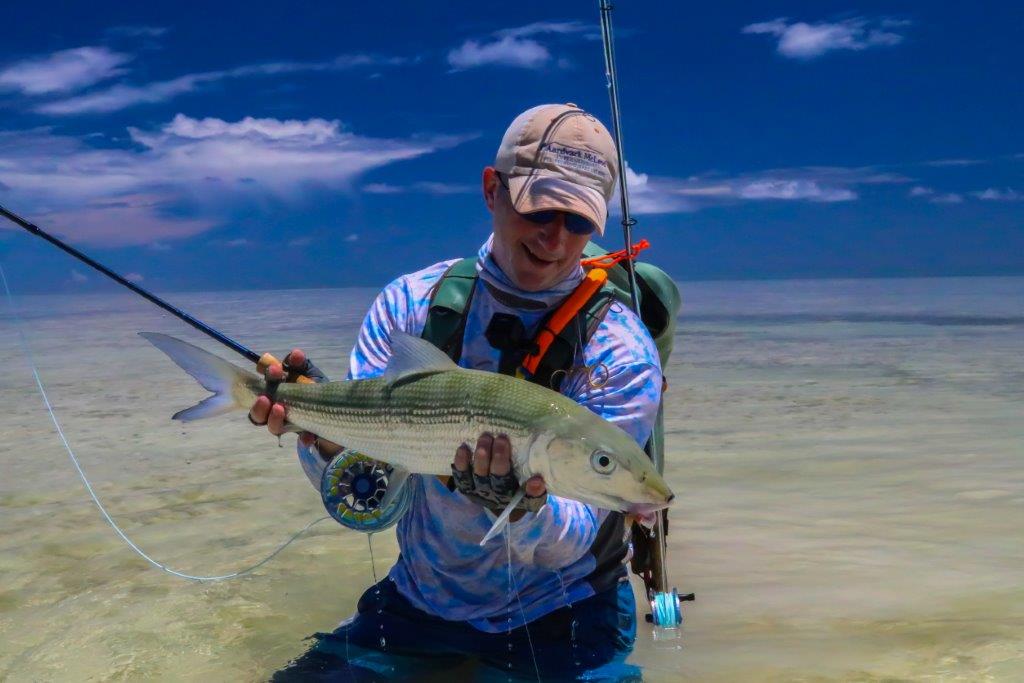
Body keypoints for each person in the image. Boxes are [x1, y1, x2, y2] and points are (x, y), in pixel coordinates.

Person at [256, 103, 663, 681]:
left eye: (579, 222)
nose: (555, 238)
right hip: (423, 602)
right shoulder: (408, 307)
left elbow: (574, 538)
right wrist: (322, 437)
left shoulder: (620, 352)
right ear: (491, 189)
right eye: (541, 207)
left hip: (566, 611)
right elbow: (371, 512)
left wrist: (520, 510)